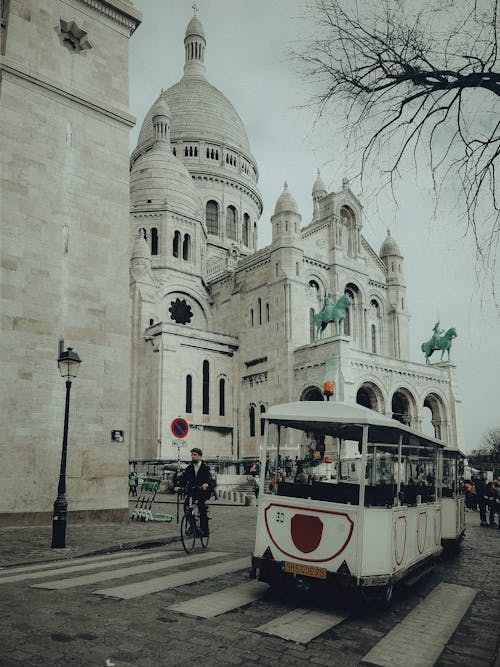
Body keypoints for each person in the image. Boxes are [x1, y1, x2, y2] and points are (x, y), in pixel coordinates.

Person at [174, 448, 213, 537]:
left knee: (201, 506)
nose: (193, 456)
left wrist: (206, 484)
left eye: (195, 455)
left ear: (200, 456)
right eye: (192, 455)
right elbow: (184, 478)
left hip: (202, 491)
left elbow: (209, 479)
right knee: (186, 506)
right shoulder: (189, 468)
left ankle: (204, 530)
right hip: (192, 491)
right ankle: (193, 527)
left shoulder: (205, 468)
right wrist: (178, 486)